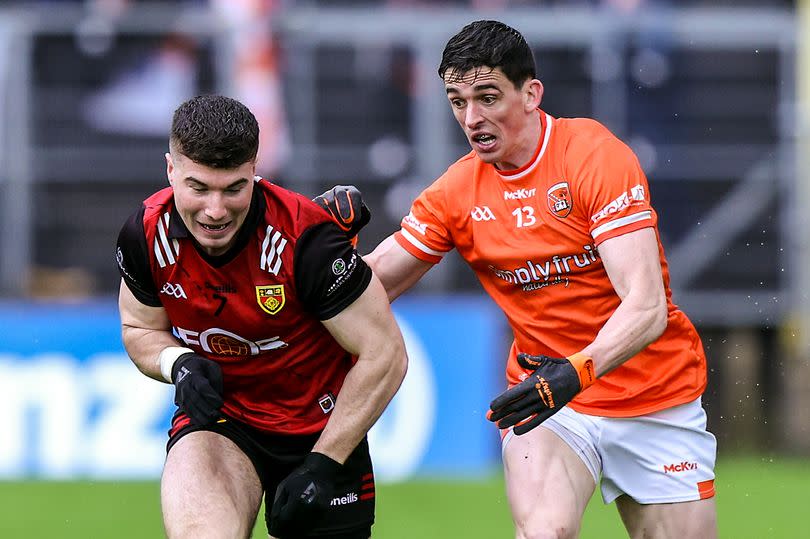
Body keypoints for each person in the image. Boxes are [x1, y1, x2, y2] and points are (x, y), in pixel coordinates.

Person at [326, 19, 717, 539]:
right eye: (457, 101)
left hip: (653, 396)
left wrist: (574, 373)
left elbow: (645, 307)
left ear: (531, 93)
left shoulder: (594, 157)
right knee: (544, 532)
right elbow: (374, 284)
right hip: (548, 403)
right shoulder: (456, 191)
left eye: (488, 97)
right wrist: (328, 249)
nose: (472, 117)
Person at [115, 94, 408, 539]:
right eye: (198, 188)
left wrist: (324, 464)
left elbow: (384, 354)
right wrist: (179, 364)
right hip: (222, 422)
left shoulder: (308, 241)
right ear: (170, 170)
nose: (215, 211)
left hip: (320, 430)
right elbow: (139, 328)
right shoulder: (146, 233)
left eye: (234, 188)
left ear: (255, 171)